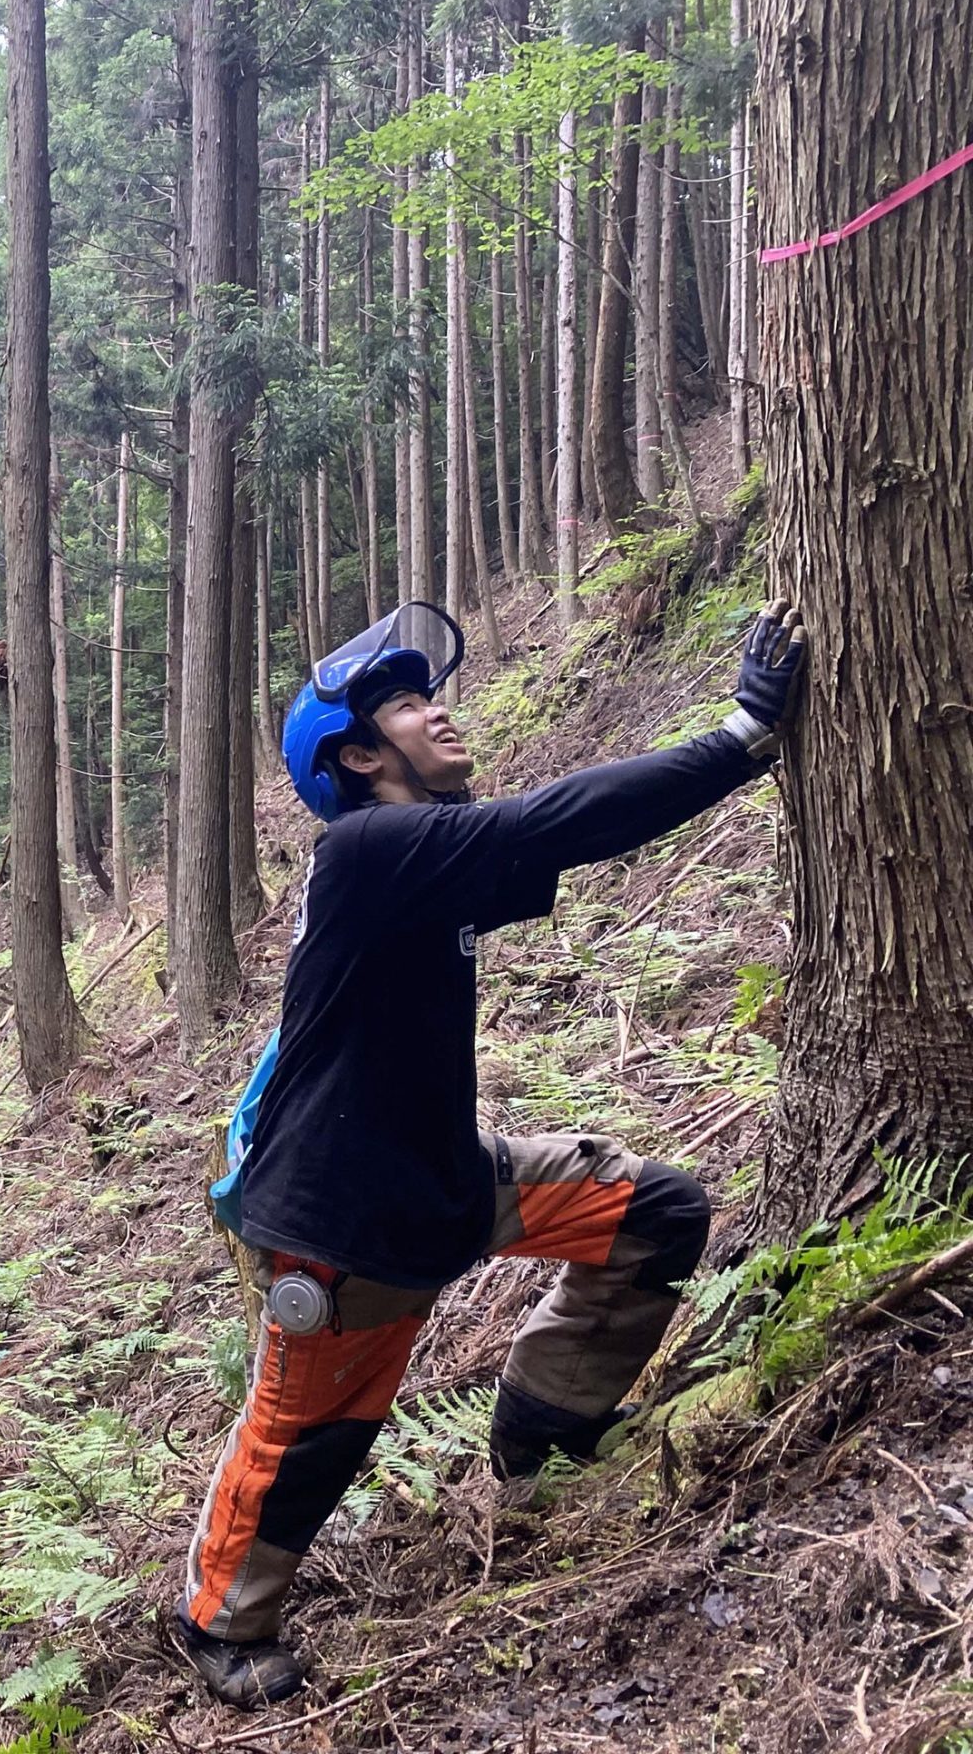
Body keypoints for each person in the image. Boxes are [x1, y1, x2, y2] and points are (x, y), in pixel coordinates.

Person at [175, 598, 810, 1710]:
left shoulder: (424, 865)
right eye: (412, 705)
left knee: (650, 1214)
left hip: (449, 1183)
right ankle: (218, 1625)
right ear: (360, 755)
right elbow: (554, 822)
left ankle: (541, 1435)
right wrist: (740, 738)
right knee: (308, 1441)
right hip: (340, 1232)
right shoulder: (369, 849)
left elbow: (541, 840)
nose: (442, 714)